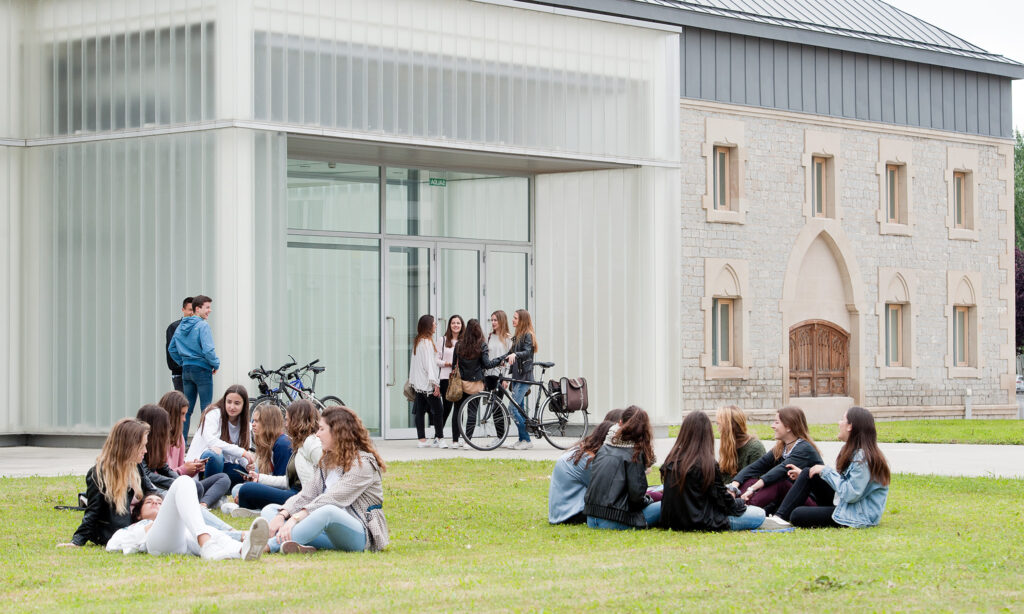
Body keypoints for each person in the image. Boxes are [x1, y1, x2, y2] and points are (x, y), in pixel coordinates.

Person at [262, 407, 389, 554]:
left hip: (360, 534)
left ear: (337, 432)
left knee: (327, 511)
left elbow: (332, 499)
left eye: (321, 429)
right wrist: (283, 515)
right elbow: (308, 494)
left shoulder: (363, 464)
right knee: (270, 510)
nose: (317, 434)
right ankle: (301, 543)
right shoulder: (327, 460)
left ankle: (266, 545)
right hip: (326, 531)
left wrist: (295, 518)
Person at [761, 406, 891, 530]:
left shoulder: (862, 458)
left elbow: (851, 494)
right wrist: (808, 475)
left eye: (842, 420)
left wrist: (826, 471)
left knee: (797, 515)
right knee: (808, 472)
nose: (839, 423)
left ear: (850, 426)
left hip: (858, 516)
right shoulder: (854, 452)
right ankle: (778, 517)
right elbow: (845, 484)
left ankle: (779, 517)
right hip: (846, 506)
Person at [105, 477, 269, 560]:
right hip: (157, 542)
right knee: (183, 481)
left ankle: (241, 550)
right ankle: (208, 544)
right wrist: (144, 530)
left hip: (185, 541)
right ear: (139, 513)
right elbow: (112, 545)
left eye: (159, 502)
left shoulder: (186, 520)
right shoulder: (137, 526)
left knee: (212, 532)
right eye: (149, 502)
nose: (155, 503)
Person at [659, 411, 766, 532]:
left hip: (673, 521)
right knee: (759, 514)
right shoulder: (707, 464)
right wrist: (740, 502)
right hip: (701, 521)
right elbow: (724, 503)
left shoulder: (671, 460)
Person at [61, 418, 160, 547]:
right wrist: (77, 541)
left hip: (139, 526)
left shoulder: (135, 466)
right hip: (117, 533)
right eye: (142, 446)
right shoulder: (100, 474)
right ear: (128, 446)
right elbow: (92, 513)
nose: (145, 451)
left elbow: (151, 491)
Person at [727, 406, 823, 514]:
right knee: (751, 481)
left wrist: (752, 489)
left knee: (779, 482)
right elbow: (757, 466)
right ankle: (730, 504)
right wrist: (733, 486)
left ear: (789, 427)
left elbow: (778, 472)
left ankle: (741, 510)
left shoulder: (804, 449)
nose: (773, 426)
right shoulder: (781, 448)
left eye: (776, 422)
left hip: (810, 503)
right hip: (789, 499)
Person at [583, 406, 660, 530]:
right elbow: (636, 498)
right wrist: (648, 500)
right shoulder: (634, 454)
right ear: (645, 430)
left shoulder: (604, 447)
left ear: (620, 422)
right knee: (666, 504)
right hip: (615, 519)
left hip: (591, 518)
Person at [548, 409, 624, 524]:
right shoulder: (588, 460)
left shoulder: (582, 451)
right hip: (572, 515)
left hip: (561, 513)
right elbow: (610, 492)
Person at [158, 390, 230, 508]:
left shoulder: (179, 438)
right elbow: (159, 476)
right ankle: (207, 501)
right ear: (171, 413)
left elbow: (181, 470)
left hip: (181, 483)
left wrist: (194, 467)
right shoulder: (156, 438)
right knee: (197, 486)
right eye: (181, 414)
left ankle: (203, 505)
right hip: (166, 487)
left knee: (224, 478)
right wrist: (184, 469)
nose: (184, 419)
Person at [226, 403, 293, 516]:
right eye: (253, 421)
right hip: (275, 487)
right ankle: (256, 507)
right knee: (237, 488)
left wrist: (257, 483)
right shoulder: (268, 444)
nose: (253, 425)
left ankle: (258, 510)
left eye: (257, 421)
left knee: (245, 489)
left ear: (268, 423)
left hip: (288, 494)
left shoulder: (282, 444)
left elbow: (284, 483)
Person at [168, 294, 219, 440]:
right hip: (202, 370)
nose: (210, 310)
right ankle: (204, 442)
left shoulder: (181, 326)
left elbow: (172, 349)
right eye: (207, 307)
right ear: (198, 309)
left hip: (187, 370)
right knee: (206, 408)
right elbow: (209, 350)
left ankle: (181, 443)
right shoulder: (203, 325)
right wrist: (216, 364)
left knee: (186, 410)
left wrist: (183, 362)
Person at [185, 384, 255, 487]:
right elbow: (211, 441)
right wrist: (242, 452)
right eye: (229, 402)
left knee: (254, 471)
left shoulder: (245, 425)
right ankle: (209, 491)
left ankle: (228, 491)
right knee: (215, 454)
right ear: (224, 401)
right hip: (202, 466)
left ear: (244, 405)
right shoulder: (213, 413)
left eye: (237, 403)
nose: (232, 407)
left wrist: (247, 465)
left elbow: (241, 457)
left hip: (224, 467)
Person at [452, 318, 506, 448]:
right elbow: (487, 365)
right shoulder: (481, 344)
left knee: (457, 411)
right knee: (472, 412)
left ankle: (455, 441)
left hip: (461, 383)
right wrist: (500, 359)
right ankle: (467, 441)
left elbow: (454, 364)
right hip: (475, 384)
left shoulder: (459, 344)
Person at [504, 309, 538, 450]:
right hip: (517, 377)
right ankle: (522, 439)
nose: (513, 320)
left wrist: (515, 354)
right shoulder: (518, 336)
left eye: (515, 318)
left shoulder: (528, 335)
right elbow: (511, 352)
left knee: (512, 408)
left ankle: (527, 440)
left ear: (522, 320)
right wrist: (501, 360)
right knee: (520, 409)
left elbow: (527, 352)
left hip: (524, 377)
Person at [409, 314, 443, 448]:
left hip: (419, 384)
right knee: (439, 410)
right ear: (429, 326)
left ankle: (421, 440)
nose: (435, 325)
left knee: (420, 411)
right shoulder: (427, 343)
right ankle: (440, 438)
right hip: (427, 384)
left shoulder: (418, 342)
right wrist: (436, 383)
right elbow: (430, 365)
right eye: (434, 323)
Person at [716, 405, 766, 483]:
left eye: (719, 424)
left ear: (728, 427)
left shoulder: (755, 448)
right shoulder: (728, 445)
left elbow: (754, 481)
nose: (717, 428)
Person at [484, 310, 513, 442]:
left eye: (495, 320)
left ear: (502, 321)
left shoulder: (508, 338)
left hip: (501, 376)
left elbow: (510, 361)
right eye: (492, 320)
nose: (493, 323)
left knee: (497, 406)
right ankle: (498, 435)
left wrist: (506, 378)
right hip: (488, 375)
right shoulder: (489, 336)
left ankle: (500, 436)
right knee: (490, 405)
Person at [436, 315, 463, 449]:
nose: (456, 325)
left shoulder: (464, 341)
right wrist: (448, 364)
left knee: (459, 409)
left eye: (458, 323)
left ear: (462, 325)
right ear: (449, 325)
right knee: (446, 409)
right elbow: (436, 360)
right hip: (446, 378)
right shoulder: (442, 340)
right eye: (453, 323)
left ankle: (456, 439)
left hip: (459, 379)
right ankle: (438, 436)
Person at [165, 296, 193, 393]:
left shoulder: (199, 327)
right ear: (183, 309)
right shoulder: (174, 327)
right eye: (190, 310)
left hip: (195, 373)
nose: (192, 313)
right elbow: (171, 354)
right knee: (183, 405)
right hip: (180, 374)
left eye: (194, 310)